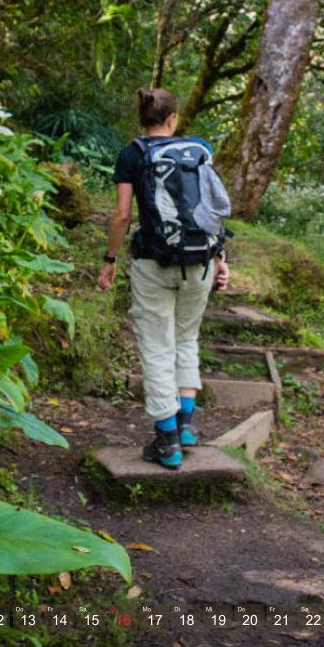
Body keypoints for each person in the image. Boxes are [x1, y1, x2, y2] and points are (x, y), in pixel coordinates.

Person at [98, 88, 230, 469]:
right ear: (173, 119)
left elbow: (122, 216)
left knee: (157, 345)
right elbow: (209, 212)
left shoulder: (133, 154)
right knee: (186, 337)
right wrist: (221, 257)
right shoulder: (198, 152)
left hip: (153, 263)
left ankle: (167, 441)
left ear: (143, 119)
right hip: (199, 262)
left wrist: (109, 259)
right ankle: (186, 425)